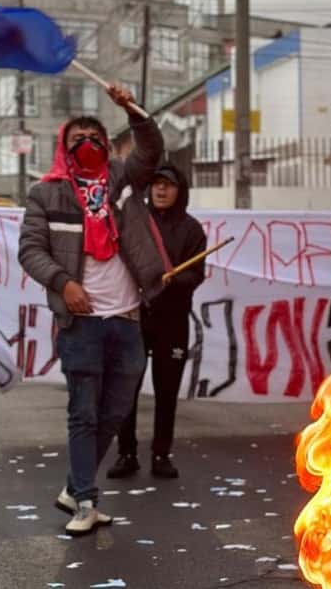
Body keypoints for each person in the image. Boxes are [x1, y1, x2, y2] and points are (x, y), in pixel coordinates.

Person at [18, 84, 165, 537]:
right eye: (78, 137)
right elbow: (30, 250)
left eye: (96, 136)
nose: (89, 143)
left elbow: (153, 149)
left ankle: (73, 486)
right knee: (83, 413)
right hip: (80, 322)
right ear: (65, 147)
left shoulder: (123, 179)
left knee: (116, 411)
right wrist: (65, 284)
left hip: (126, 320)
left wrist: (131, 109)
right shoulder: (47, 194)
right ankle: (85, 502)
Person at [108, 163, 206, 481]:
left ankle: (162, 454)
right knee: (127, 389)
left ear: (181, 191)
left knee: (167, 390)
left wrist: (171, 281)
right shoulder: (138, 225)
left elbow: (196, 275)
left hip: (172, 321)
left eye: (169, 185)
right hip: (136, 317)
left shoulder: (191, 230)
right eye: (156, 184)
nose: (161, 190)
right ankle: (126, 453)